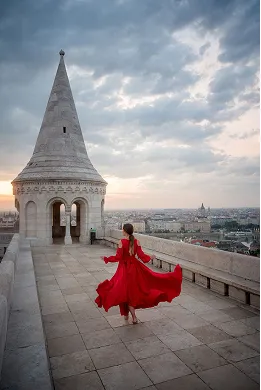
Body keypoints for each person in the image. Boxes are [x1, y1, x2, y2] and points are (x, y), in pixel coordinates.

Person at [95, 223, 182, 324]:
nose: (122, 231)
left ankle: (127, 315)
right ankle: (133, 317)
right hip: (135, 269)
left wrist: (106, 258)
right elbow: (142, 257)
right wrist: (151, 257)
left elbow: (118, 257)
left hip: (124, 270)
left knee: (123, 291)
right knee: (133, 291)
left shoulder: (122, 242)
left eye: (123, 229)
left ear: (125, 231)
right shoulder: (137, 242)